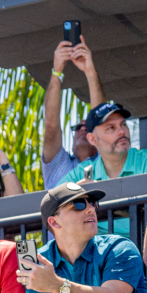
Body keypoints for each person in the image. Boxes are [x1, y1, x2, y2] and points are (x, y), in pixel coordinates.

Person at [42, 34, 106, 188]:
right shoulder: (58, 164)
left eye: (88, 127)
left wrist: (90, 71)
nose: (83, 129)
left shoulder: (105, 159)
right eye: (78, 127)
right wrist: (57, 71)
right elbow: (51, 127)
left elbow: (101, 118)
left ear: (95, 136)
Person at [74, 102, 147, 182]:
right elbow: (60, 192)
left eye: (123, 124)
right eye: (111, 127)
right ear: (92, 139)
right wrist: (74, 193)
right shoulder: (82, 173)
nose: (122, 131)